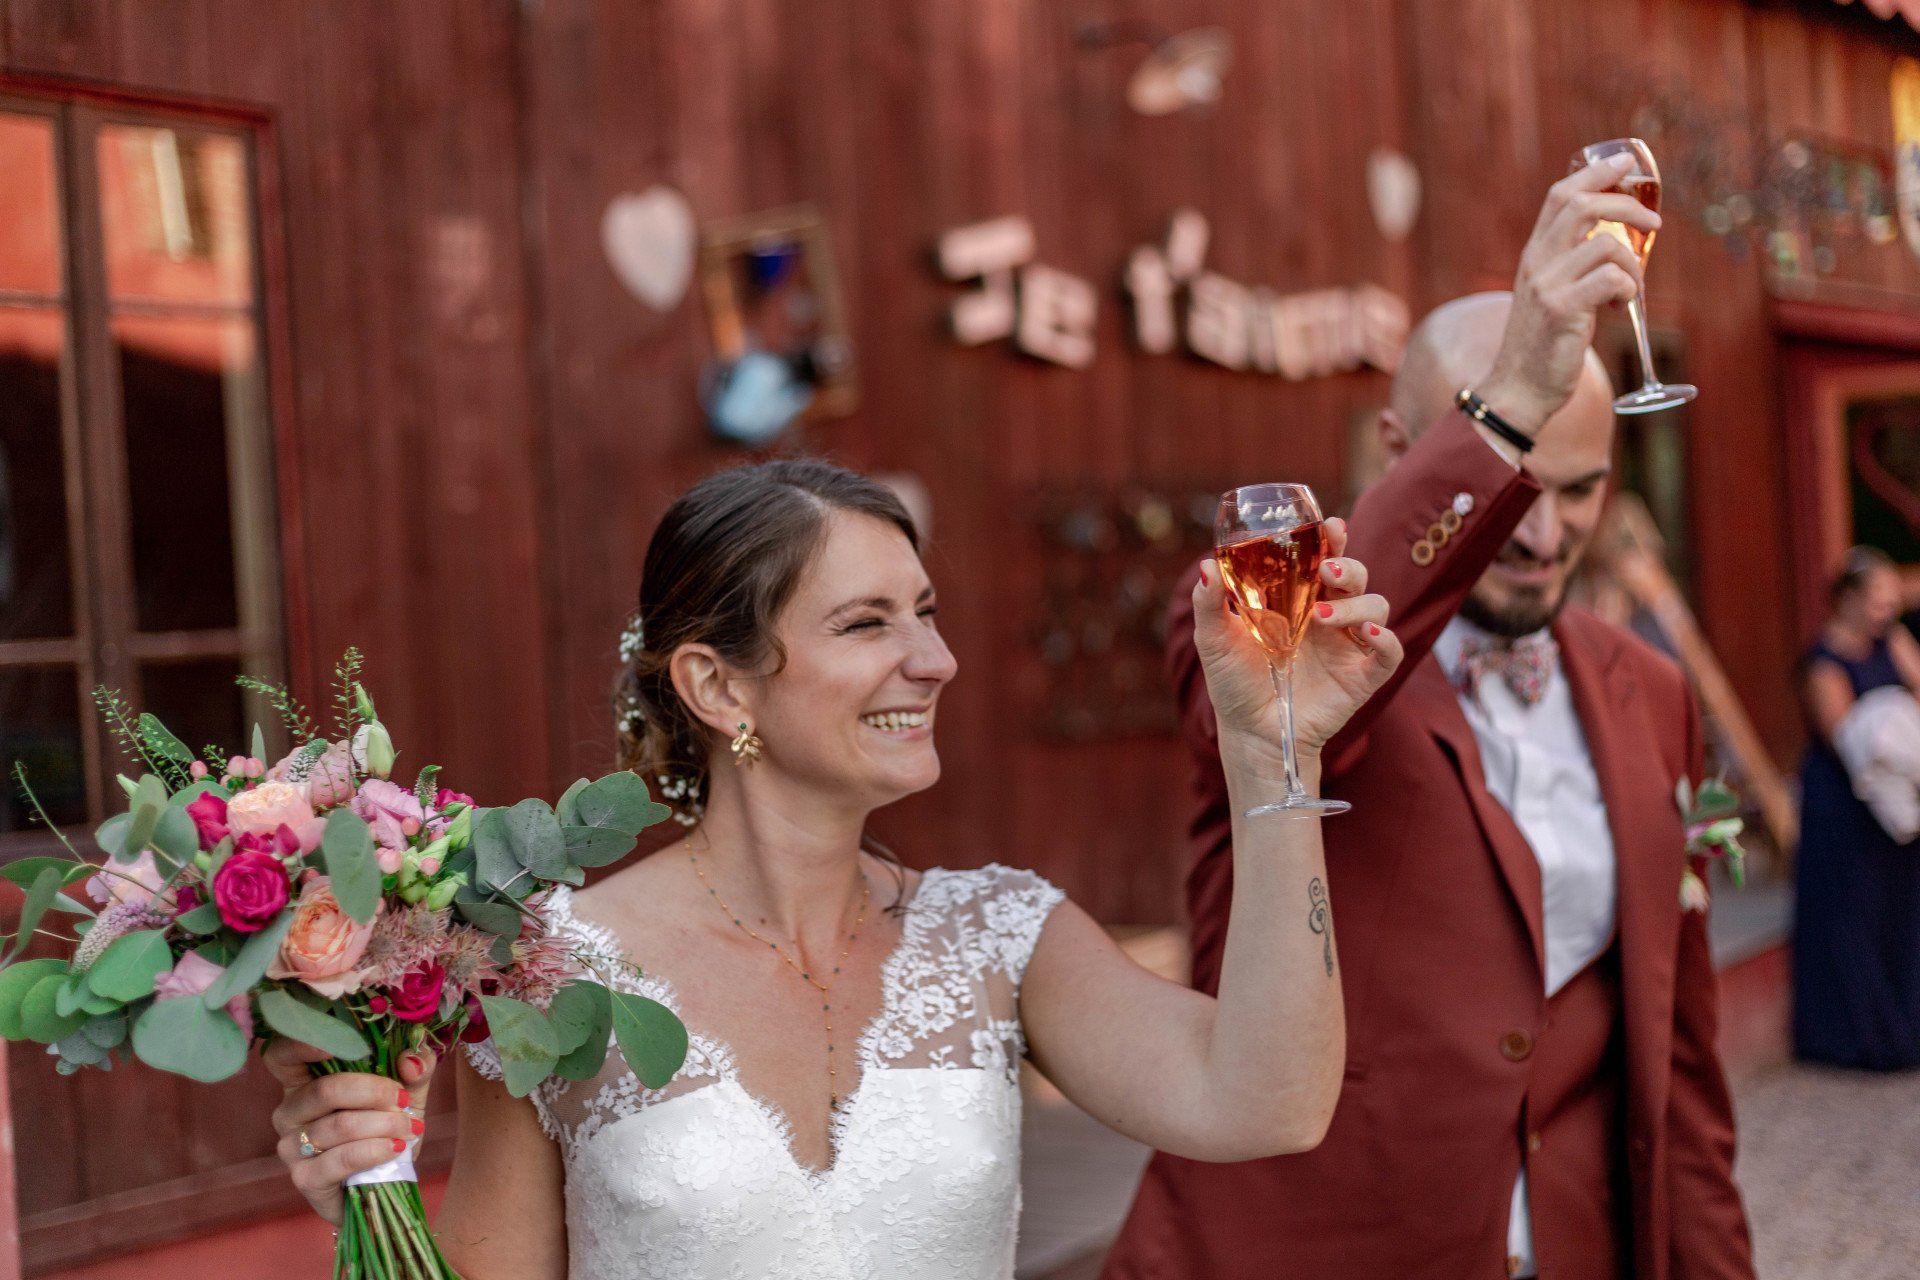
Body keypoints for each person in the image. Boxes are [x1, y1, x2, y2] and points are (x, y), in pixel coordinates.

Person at [263, 457, 1404, 1277]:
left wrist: (1274, 753)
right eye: (868, 623)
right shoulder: (545, 970)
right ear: (718, 686)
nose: (936, 658)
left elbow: (1271, 1102)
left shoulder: (1004, 933)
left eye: (927, 611)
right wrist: (369, 1198)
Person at [1105, 155, 1755, 1280]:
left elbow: (1675, 1055)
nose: (1546, 535)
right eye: (1523, 483)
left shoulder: (1648, 686)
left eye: (1585, 487)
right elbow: (1288, 696)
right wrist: (1509, 399)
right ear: (1411, 454)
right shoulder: (1261, 633)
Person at [1793, 545, 1920, 1070]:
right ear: (1846, 600)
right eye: (1875, 601)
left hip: (1900, 803)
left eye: (1890, 602)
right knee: (1854, 917)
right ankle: (1860, 1038)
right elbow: (1844, 738)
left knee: (1904, 914)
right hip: (1846, 805)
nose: (1884, 612)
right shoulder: (1823, 661)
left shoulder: (1892, 640)